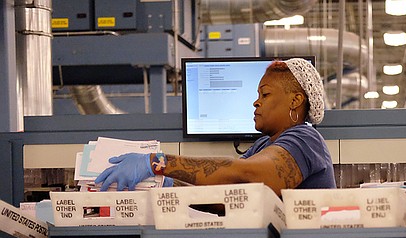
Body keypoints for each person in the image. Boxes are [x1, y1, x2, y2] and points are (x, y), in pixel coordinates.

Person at [95, 58, 336, 196]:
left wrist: (157, 162)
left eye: (265, 94)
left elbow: (251, 175)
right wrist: (161, 182)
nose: (256, 101)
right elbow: (226, 191)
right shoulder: (263, 144)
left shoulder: (306, 139)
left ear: (295, 100)